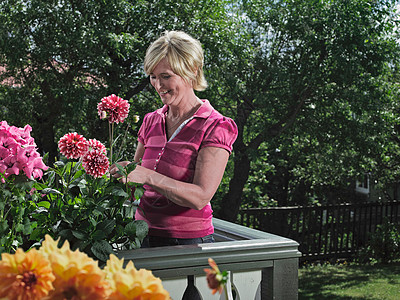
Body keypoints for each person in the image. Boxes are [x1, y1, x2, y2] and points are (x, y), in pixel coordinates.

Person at [110, 31, 238, 247]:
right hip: (140, 236)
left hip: (188, 242)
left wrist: (148, 176)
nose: (158, 85)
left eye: (166, 76)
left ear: (192, 71)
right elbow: (135, 183)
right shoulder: (151, 121)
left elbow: (200, 197)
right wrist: (112, 175)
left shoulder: (215, 126)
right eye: (153, 76)